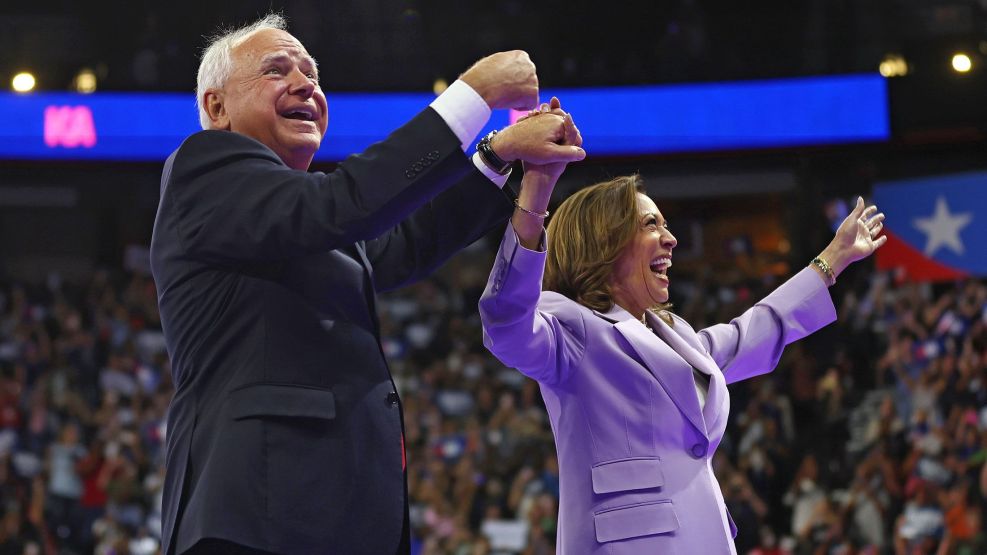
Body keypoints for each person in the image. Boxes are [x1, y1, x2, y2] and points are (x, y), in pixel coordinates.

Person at [150, 13, 584, 555]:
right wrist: (473, 94)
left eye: (311, 73)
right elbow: (345, 205)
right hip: (256, 515)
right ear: (217, 107)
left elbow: (401, 244)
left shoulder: (302, 219)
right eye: (276, 70)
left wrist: (499, 154)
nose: (306, 84)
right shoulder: (205, 170)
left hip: (335, 517)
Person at [478, 134, 887, 553]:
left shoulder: (680, 338)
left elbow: (755, 331)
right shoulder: (571, 327)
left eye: (666, 224)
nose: (671, 239)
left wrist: (832, 260)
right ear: (604, 243)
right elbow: (506, 325)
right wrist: (537, 190)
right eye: (651, 224)